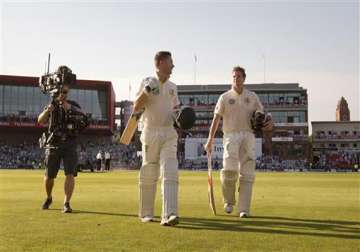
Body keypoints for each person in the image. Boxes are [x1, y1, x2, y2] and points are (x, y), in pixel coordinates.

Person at [204, 66, 273, 218]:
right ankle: (228, 201)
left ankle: (244, 209)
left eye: (239, 76)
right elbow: (216, 119)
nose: (236, 79)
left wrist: (269, 122)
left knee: (247, 173)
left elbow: (262, 115)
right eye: (234, 76)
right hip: (230, 135)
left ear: (244, 78)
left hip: (248, 135)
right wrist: (210, 139)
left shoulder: (252, 96)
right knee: (229, 168)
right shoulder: (225, 97)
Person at [133, 51, 180, 226]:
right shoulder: (147, 82)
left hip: (168, 132)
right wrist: (146, 91)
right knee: (149, 173)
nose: (173, 66)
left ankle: (170, 214)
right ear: (160, 63)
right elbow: (136, 107)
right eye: (170, 62)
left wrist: (181, 117)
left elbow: (176, 111)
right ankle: (146, 213)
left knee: (170, 170)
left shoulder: (173, 87)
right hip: (150, 132)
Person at [38, 65, 86, 213]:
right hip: (53, 143)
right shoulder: (51, 105)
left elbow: (84, 120)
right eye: (61, 91)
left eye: (65, 91)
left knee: (70, 174)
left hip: (70, 142)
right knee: (49, 176)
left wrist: (69, 109)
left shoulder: (74, 105)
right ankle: (49, 197)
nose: (63, 94)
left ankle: (67, 203)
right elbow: (40, 121)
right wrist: (48, 110)